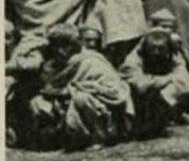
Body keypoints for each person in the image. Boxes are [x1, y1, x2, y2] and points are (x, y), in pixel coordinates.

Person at [27, 22, 133, 150]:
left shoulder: (91, 60)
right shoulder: (54, 64)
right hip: (64, 103)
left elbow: (116, 91)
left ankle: (98, 137)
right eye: (57, 46)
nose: (61, 50)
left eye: (67, 45)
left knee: (81, 98)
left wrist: (80, 88)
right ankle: (55, 139)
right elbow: (51, 86)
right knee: (37, 102)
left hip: (102, 109)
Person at [121, 25, 189, 137]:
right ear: (145, 48)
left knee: (179, 88)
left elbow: (184, 80)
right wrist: (168, 79)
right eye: (152, 48)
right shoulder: (132, 60)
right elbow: (141, 85)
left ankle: (175, 115)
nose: (156, 52)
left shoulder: (172, 54)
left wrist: (183, 50)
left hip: (159, 91)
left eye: (161, 49)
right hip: (136, 99)